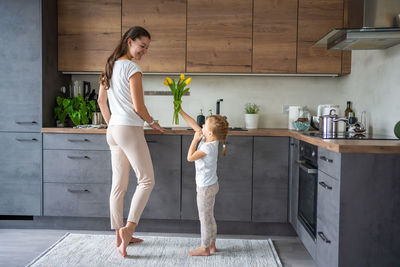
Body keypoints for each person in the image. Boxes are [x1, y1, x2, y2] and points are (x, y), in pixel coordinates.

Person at [97, 26, 164, 258]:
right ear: (130, 41)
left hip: (114, 130)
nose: (144, 51)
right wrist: (153, 122)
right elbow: (138, 107)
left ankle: (119, 235)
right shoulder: (132, 68)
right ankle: (129, 230)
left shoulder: (109, 65)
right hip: (129, 128)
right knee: (146, 180)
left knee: (119, 185)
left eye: (147, 48)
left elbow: (101, 101)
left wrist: (112, 124)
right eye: (142, 46)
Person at [179, 108, 229, 256]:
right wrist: (180, 111)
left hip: (205, 188)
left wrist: (194, 140)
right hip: (212, 185)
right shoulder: (210, 139)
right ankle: (212, 243)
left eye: (204, 127)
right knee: (209, 216)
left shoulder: (207, 146)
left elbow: (190, 157)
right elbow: (195, 124)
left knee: (204, 218)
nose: (201, 128)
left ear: (210, 133)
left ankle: (204, 247)